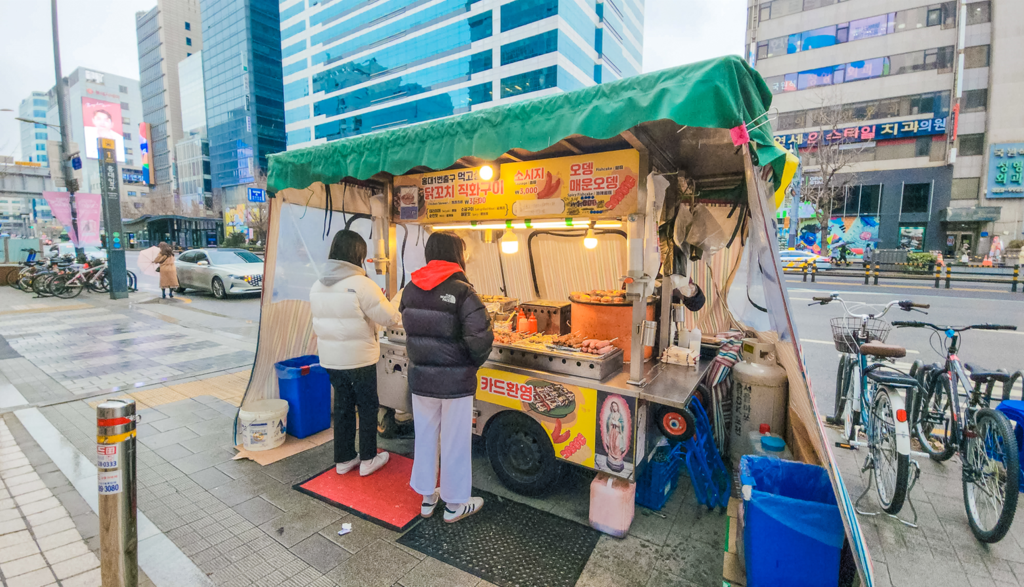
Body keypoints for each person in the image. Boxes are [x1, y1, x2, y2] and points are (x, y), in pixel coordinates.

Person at [401, 232, 493, 523]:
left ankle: (427, 500)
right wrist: (468, 365)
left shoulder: (410, 288)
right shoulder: (463, 291)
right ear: (457, 254)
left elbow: (411, 329)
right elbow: (481, 339)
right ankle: (455, 504)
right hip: (455, 384)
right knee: (454, 441)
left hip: (422, 380)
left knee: (426, 437)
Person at [310, 230, 400, 477]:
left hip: (330, 359)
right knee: (368, 406)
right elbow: (389, 317)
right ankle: (369, 458)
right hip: (359, 358)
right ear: (357, 254)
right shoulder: (362, 284)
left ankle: (344, 458)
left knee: (343, 407)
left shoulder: (317, 284)